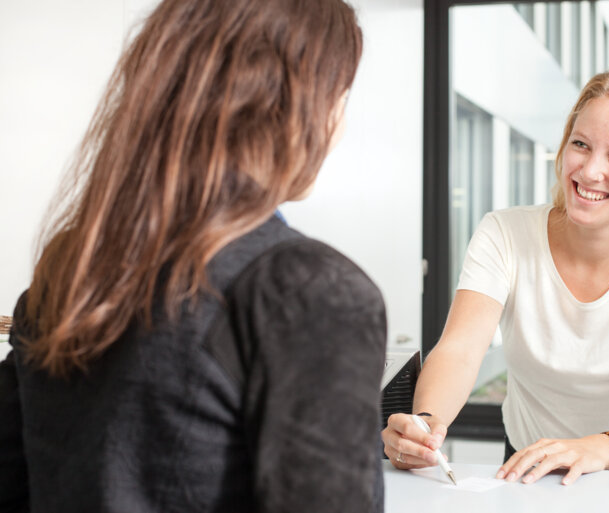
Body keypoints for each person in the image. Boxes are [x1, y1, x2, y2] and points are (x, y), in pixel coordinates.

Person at [0, 1, 387, 512]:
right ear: (284, 106)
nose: (338, 125)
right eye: (338, 96)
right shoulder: (306, 289)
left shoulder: (71, 271)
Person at [382, 68, 609, 485]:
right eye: (581, 145)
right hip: (533, 468)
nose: (589, 171)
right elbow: (460, 350)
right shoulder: (505, 234)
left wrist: (596, 447)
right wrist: (425, 425)